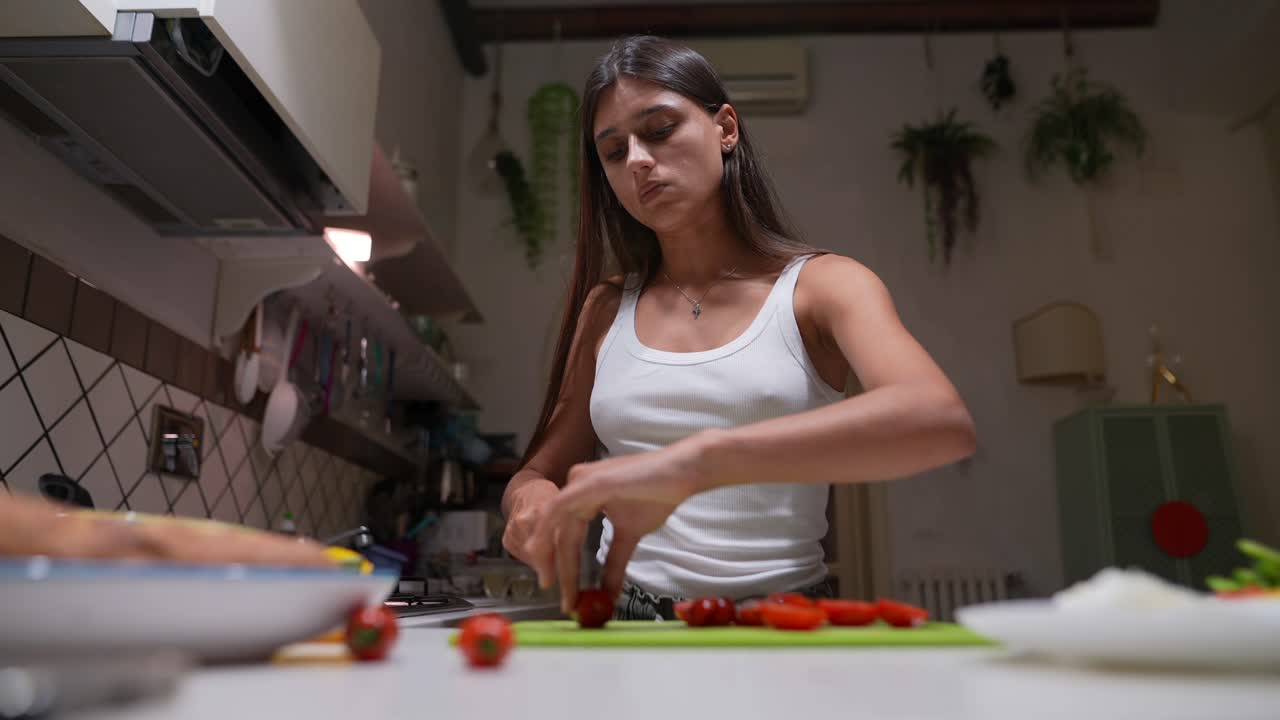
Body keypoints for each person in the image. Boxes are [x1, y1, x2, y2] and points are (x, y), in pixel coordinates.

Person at [501, 36, 977, 620]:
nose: (638, 161)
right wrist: (530, 500)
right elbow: (539, 470)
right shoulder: (606, 307)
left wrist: (700, 461)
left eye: (659, 130)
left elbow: (939, 421)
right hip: (623, 618)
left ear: (725, 128)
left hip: (778, 621)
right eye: (614, 151)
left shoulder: (823, 286)